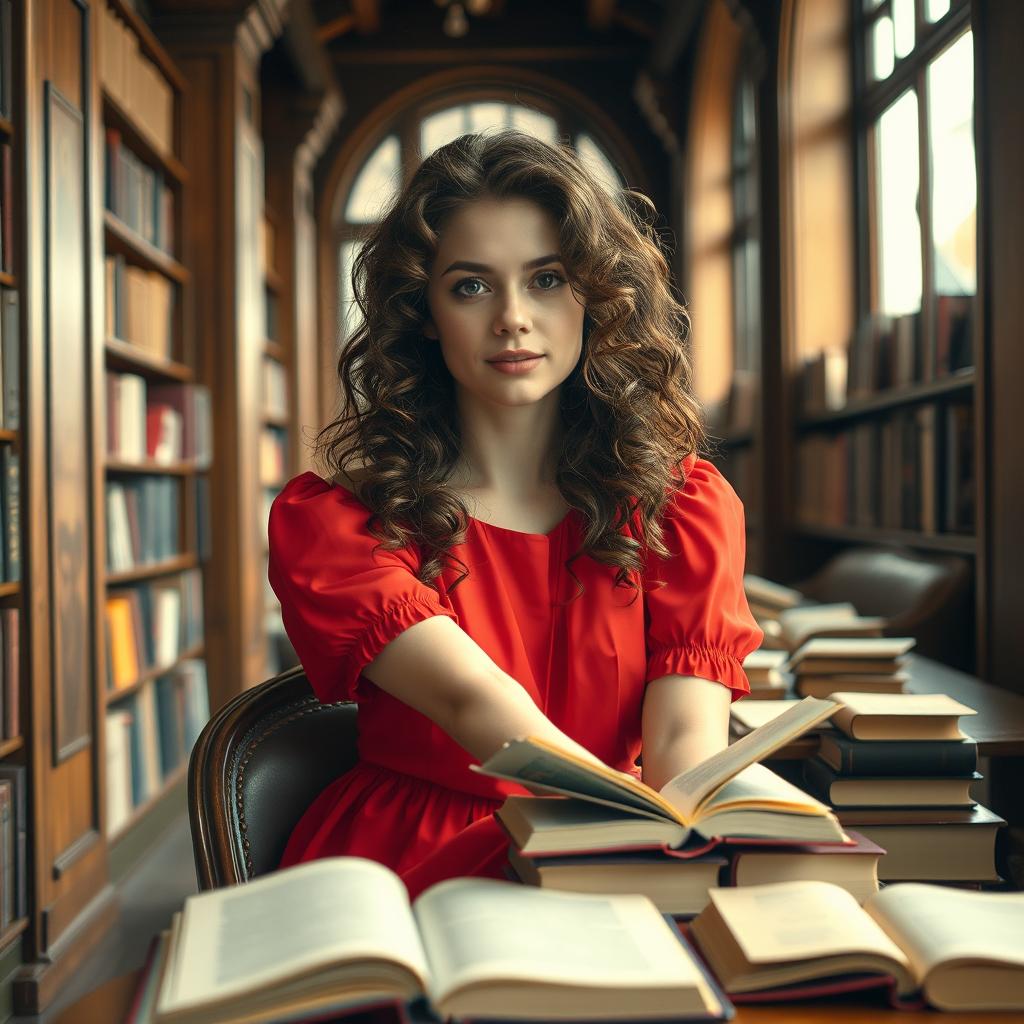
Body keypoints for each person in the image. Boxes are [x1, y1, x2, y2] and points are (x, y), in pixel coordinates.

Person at [268, 127, 763, 898]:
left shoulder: (682, 509)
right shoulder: (339, 525)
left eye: (547, 280)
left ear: (594, 296)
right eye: (470, 285)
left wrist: (685, 839)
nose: (511, 318)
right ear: (424, 311)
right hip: (411, 868)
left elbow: (682, 740)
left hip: (619, 842)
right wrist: (627, 832)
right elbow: (477, 706)